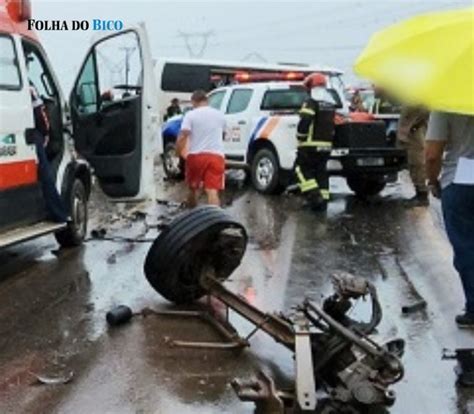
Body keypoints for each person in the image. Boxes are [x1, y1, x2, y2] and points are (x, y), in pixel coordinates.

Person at [425, 112, 474, 328]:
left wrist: (432, 180)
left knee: (466, 247)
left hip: (460, 181)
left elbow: (432, 154)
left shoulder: (445, 103)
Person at [294, 73, 336, 211]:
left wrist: (300, 136)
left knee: (300, 169)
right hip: (326, 145)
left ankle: (314, 196)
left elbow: (305, 120)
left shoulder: (311, 102)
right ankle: (323, 200)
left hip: (310, 144)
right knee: (321, 172)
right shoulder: (330, 103)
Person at [176, 90, 226, 207]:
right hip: (216, 157)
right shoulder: (220, 115)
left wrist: (178, 152)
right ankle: (215, 219)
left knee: (192, 188)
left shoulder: (191, 115)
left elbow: (183, 135)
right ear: (207, 100)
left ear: (193, 102)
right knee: (212, 190)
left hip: (196, 156)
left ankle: (192, 214)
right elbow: (223, 136)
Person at [30, 83, 68, 223]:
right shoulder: (29, 86)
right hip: (32, 135)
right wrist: (46, 133)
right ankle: (59, 214)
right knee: (45, 174)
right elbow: (40, 114)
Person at [397, 105, 430, 206]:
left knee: (417, 163)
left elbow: (425, 110)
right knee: (413, 163)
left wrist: (414, 127)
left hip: (415, 134)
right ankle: (419, 192)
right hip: (409, 134)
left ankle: (422, 194)